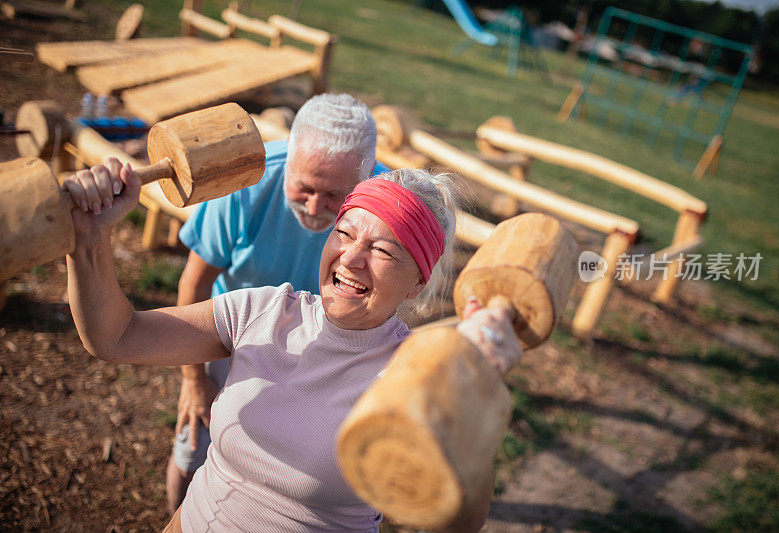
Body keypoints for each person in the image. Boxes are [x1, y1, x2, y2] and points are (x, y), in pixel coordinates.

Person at [62, 159, 522, 532]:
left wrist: (477, 393)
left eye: (383, 251)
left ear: (416, 287)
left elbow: (460, 522)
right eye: (344, 233)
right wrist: (89, 239)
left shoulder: (407, 373)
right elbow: (117, 336)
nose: (353, 257)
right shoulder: (266, 312)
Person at [168, 93, 388, 513]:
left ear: (366, 178)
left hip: (331, 353)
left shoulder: (388, 204)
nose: (314, 207)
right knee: (192, 451)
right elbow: (193, 283)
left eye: (334, 196)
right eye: (304, 187)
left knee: (301, 481)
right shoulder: (247, 185)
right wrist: (194, 381)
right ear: (289, 160)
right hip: (233, 337)